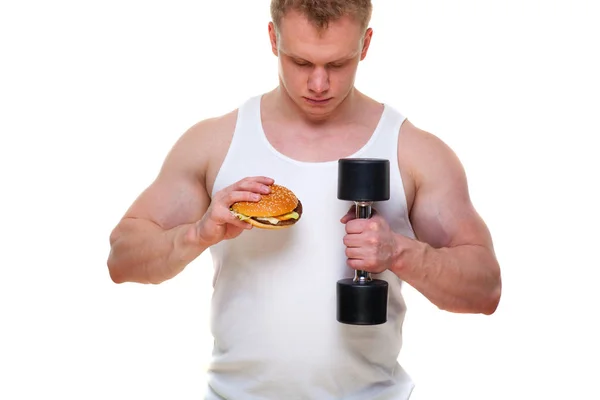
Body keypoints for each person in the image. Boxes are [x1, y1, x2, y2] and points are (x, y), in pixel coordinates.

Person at [106, 0, 502, 398]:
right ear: (272, 38)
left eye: (337, 65)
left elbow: (485, 289)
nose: (317, 84)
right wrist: (198, 233)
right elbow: (122, 258)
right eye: (299, 62)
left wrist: (399, 252)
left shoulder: (413, 151)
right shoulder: (215, 143)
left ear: (365, 45)